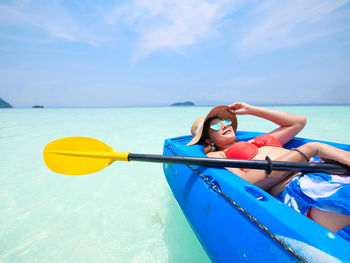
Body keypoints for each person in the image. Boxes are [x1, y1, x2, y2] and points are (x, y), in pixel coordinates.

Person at [187, 102, 350, 236]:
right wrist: (308, 150)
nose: (223, 125)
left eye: (226, 121)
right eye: (215, 126)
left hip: (322, 172)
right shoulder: (220, 156)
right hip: (302, 188)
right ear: (208, 140)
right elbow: (246, 183)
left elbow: (298, 122)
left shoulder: (256, 140)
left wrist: (251, 109)